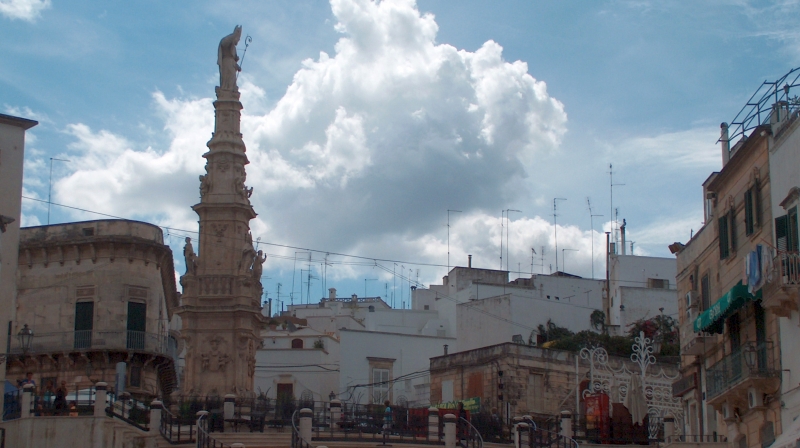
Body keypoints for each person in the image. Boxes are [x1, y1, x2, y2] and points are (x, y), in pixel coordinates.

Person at [217, 25, 242, 91]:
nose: (239, 40)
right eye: (238, 38)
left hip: (231, 65)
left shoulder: (233, 47)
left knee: (232, 79)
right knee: (227, 79)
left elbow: (233, 61)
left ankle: (230, 91)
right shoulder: (227, 41)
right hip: (227, 63)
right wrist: (234, 35)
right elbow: (223, 43)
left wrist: (237, 67)